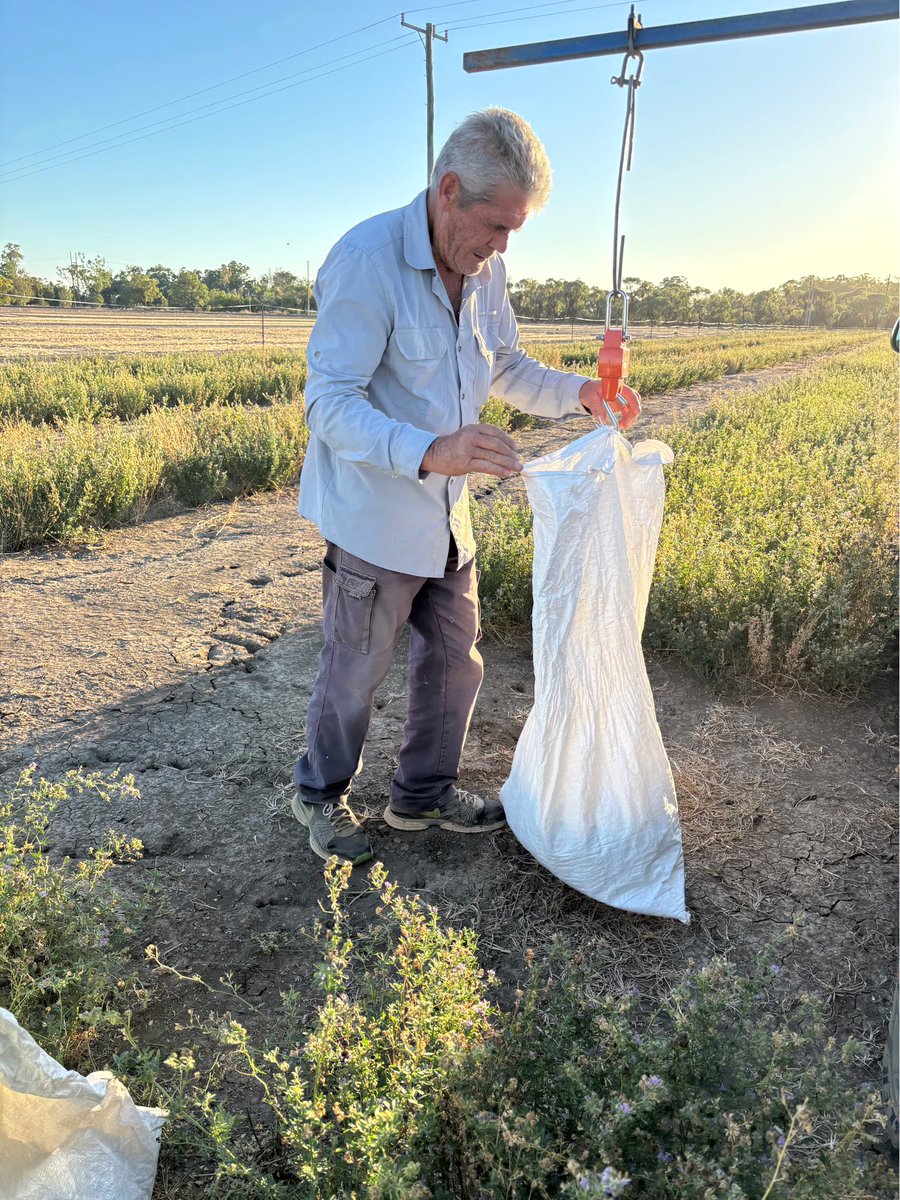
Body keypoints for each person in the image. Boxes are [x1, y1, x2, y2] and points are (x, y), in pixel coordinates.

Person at [293, 107, 637, 866]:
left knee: (456, 662)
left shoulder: (487, 273)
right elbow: (328, 402)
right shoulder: (366, 261)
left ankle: (422, 796)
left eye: (514, 230)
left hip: (448, 519)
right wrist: (430, 450)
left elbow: (507, 367)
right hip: (375, 517)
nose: (503, 245)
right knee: (355, 672)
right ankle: (320, 793)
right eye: (496, 224)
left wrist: (582, 391)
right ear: (449, 189)